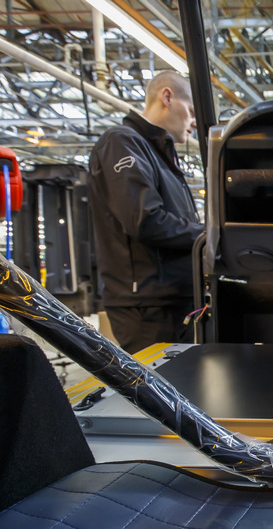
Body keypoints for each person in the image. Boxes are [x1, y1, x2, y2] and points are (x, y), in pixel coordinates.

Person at [88, 70, 204, 353]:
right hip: (147, 305)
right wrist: (209, 234)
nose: (194, 122)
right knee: (160, 379)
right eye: (191, 111)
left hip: (171, 300)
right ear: (167, 97)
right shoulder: (122, 143)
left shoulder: (160, 155)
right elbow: (146, 220)